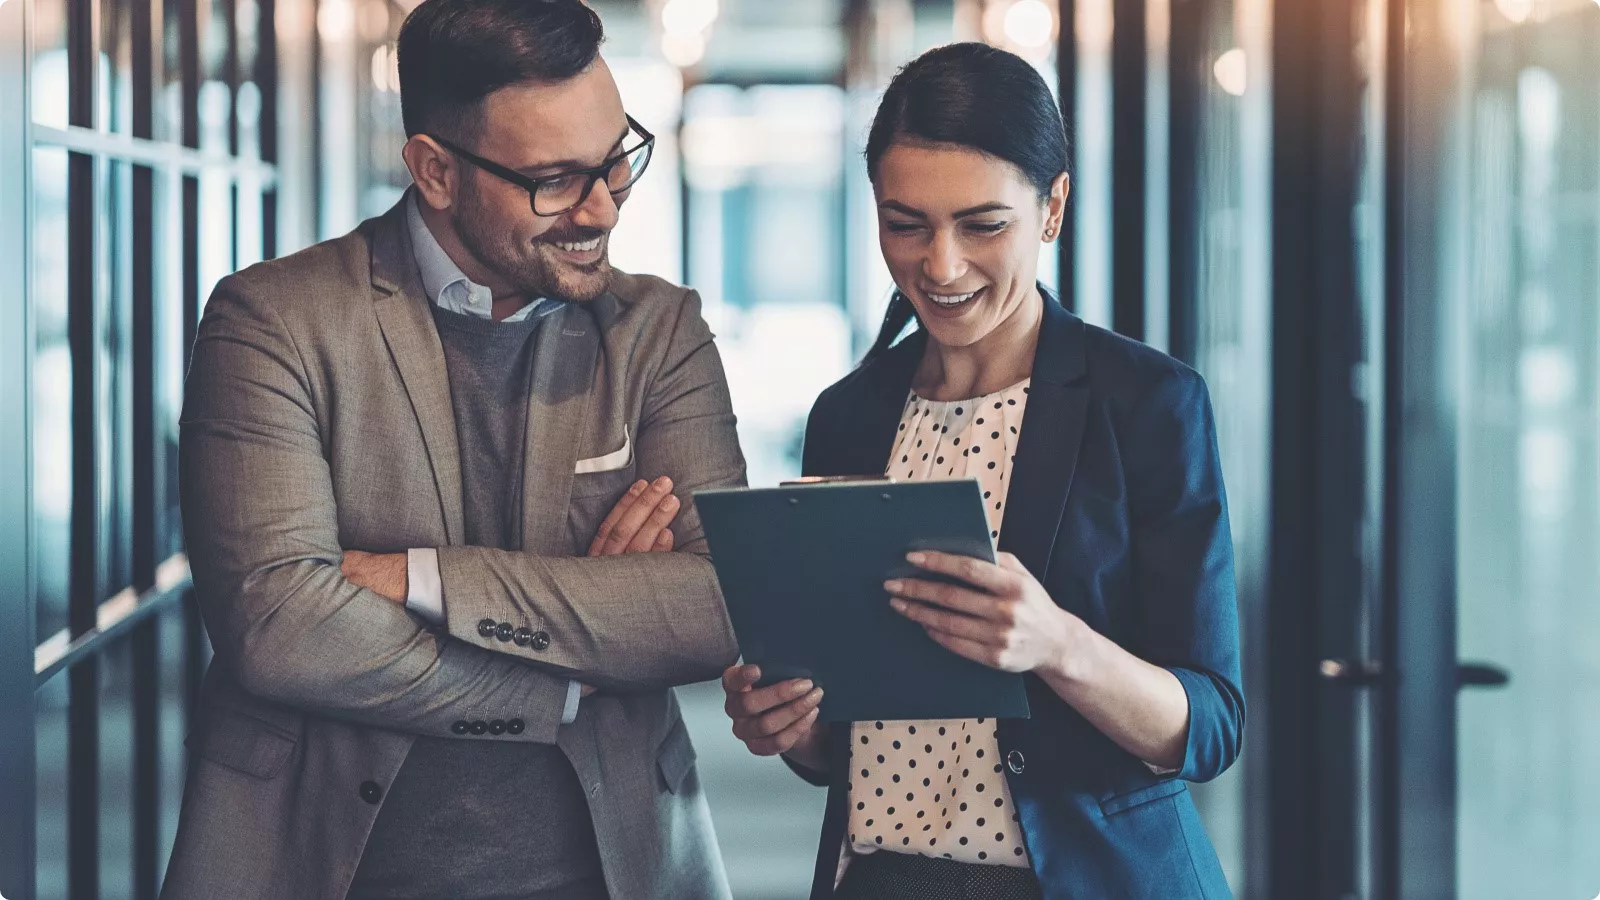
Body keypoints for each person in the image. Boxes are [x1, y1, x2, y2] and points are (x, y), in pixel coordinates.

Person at [164, 1, 744, 898]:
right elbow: (280, 627)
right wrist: (567, 675)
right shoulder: (273, 320)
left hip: (614, 868)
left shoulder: (659, 331)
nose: (602, 208)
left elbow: (715, 605)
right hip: (328, 867)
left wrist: (423, 580)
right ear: (435, 170)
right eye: (554, 180)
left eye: (614, 159)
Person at [721, 42, 1243, 900]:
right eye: (906, 223)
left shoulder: (1146, 402)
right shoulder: (847, 415)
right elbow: (835, 745)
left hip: (1079, 881)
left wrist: (1056, 644)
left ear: (1053, 208)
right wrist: (788, 722)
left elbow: (1211, 726)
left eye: (982, 224)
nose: (942, 265)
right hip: (881, 880)